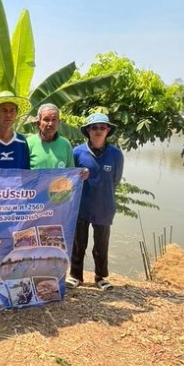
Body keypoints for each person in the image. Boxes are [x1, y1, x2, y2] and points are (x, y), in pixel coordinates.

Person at [67, 113, 124, 291]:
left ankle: (101, 277)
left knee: (101, 244)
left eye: (102, 127)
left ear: (107, 130)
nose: (98, 131)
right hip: (81, 206)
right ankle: (76, 275)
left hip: (104, 206)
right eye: (94, 127)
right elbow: (70, 179)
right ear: (88, 131)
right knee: (78, 243)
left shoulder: (116, 154)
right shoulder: (77, 153)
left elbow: (115, 180)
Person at [27, 104, 75, 169]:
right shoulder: (28, 143)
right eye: (46, 119)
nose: (50, 124)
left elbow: (71, 173)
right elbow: (21, 173)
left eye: (54, 119)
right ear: (38, 123)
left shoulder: (66, 144)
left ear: (58, 122)